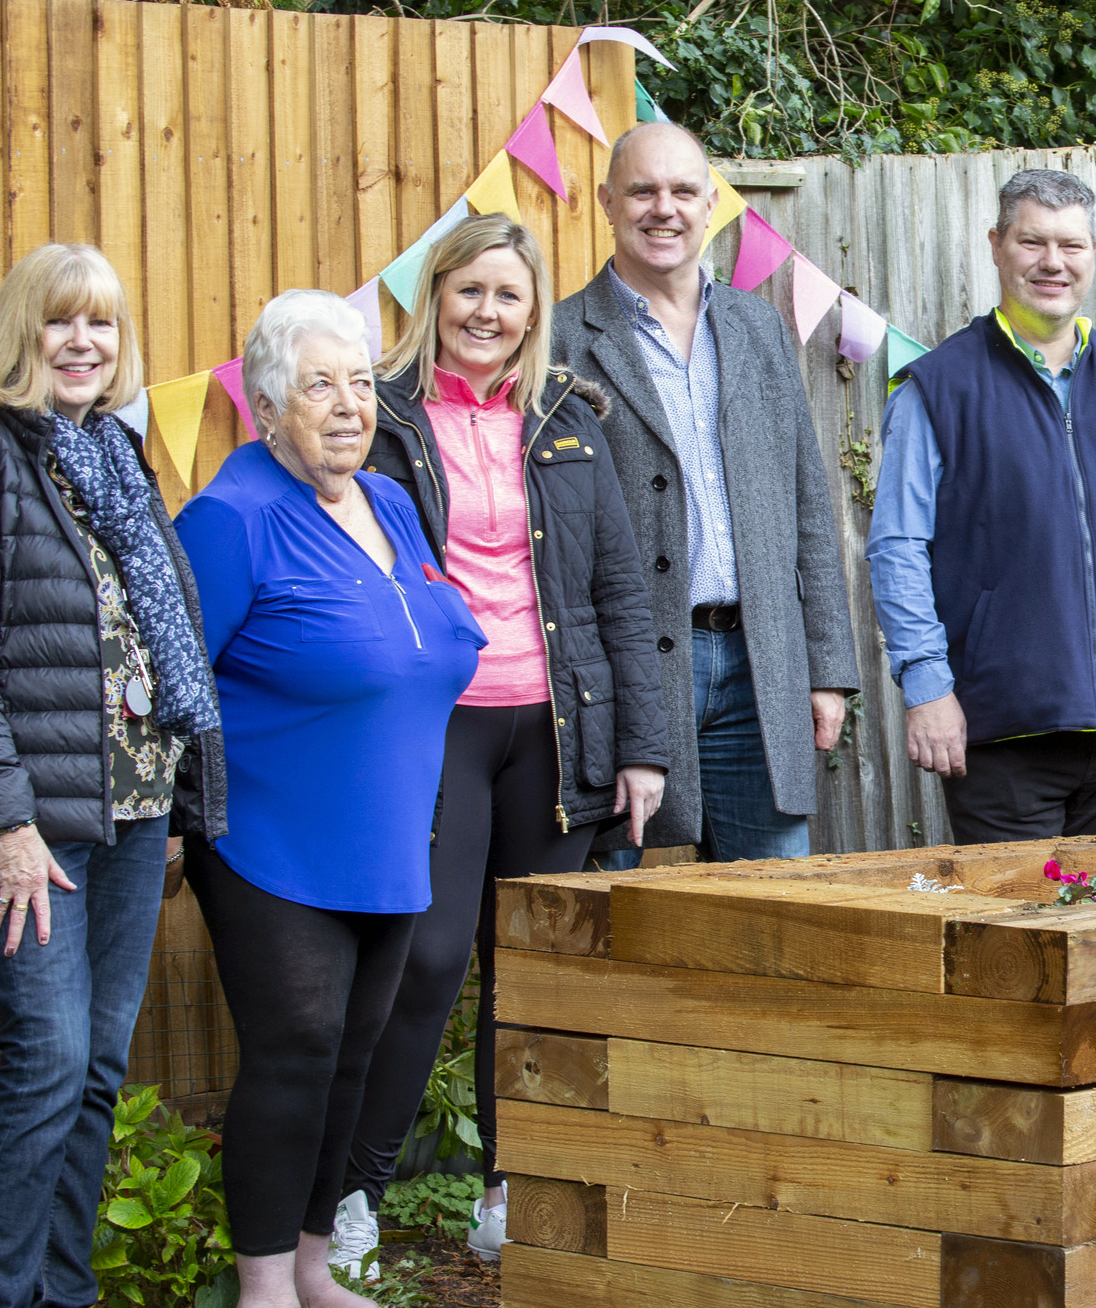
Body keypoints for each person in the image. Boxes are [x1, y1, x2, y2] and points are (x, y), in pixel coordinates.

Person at [0, 243, 222, 1308]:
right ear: (17, 336)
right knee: (48, 1062)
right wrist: (2, 825)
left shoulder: (114, 454)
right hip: (27, 828)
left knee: (97, 1071)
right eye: (60, 322)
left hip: (124, 811)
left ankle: (63, 1295)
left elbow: (154, 647)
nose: (83, 342)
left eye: (102, 323)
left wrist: (168, 808)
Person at [345, 214, 670, 1267]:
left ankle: (507, 1189)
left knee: (530, 971)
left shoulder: (570, 417)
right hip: (439, 727)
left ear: (536, 315)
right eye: (469, 291)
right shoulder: (382, 417)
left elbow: (621, 589)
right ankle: (350, 1195)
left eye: (509, 297)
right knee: (426, 961)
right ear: (433, 295)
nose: (487, 313)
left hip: (558, 727)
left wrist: (643, 746)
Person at [171, 290, 486, 1308]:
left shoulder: (390, 501)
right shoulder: (230, 518)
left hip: (390, 833)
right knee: (296, 1052)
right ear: (267, 407)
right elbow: (177, 688)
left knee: (355, 1057)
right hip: (271, 837)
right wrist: (172, 831)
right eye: (320, 386)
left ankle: (313, 1267)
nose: (349, 405)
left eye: (360, 382)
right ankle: (263, 1284)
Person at [866, 168, 1096, 841]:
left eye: (1070, 245)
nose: (1052, 263)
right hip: (999, 732)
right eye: (1032, 242)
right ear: (997, 245)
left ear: (1095, 250)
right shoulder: (938, 387)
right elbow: (898, 547)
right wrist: (926, 684)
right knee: (1012, 939)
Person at [550, 121, 858, 865]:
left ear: (711, 202)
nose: (665, 208)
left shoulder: (757, 326)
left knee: (774, 910)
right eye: (643, 191)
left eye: (684, 190)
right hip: (629, 667)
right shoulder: (561, 339)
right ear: (607, 202)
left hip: (762, 661)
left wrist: (828, 670)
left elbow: (808, 506)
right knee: (612, 905)